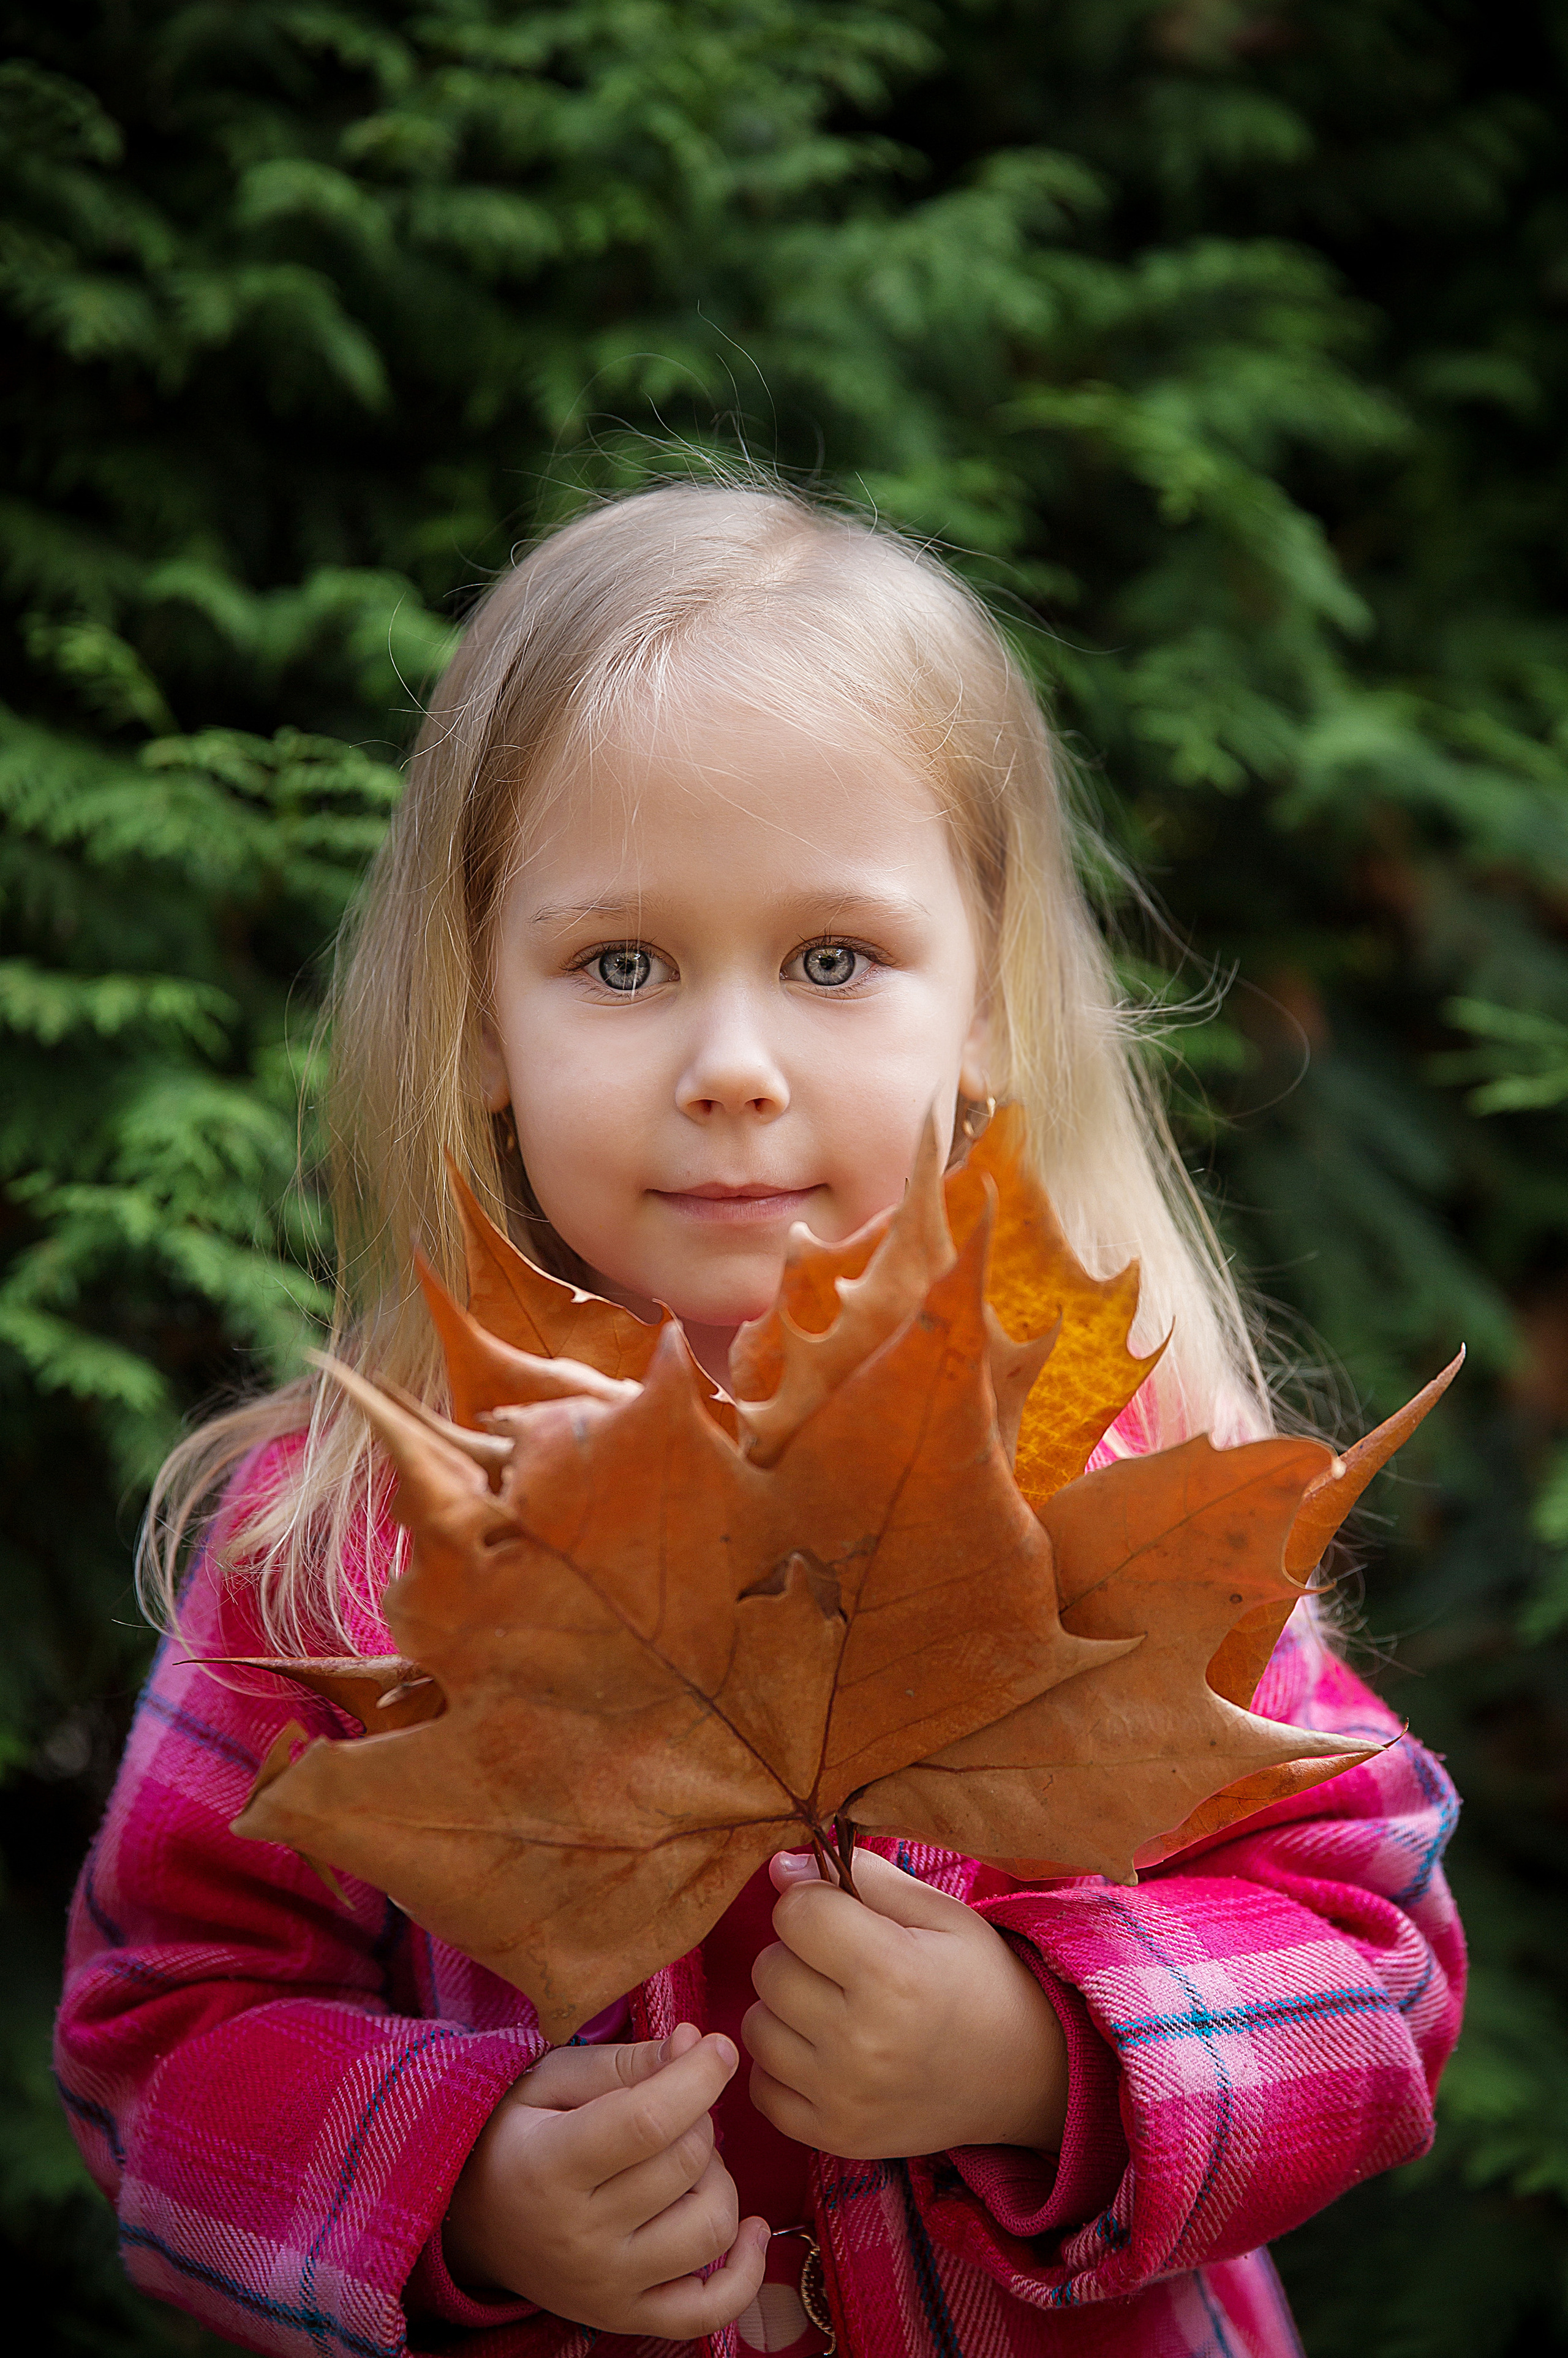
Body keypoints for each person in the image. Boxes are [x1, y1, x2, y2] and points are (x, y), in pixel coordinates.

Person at [55, 483, 1464, 2358]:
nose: (731, 1068)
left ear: (980, 1011)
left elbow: (1376, 1959)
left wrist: (1050, 2053)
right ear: (479, 1020)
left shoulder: (1107, 1483)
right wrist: (454, 2179)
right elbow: (158, 2032)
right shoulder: (349, 1544)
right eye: (623, 966)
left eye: (832, 961)